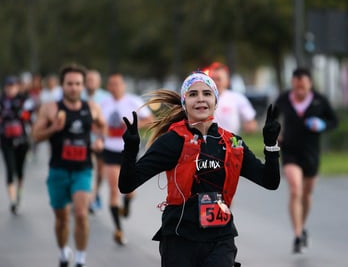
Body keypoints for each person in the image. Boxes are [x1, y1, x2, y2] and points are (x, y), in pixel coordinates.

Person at [119, 71, 281, 266]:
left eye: (207, 93)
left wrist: (271, 145)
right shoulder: (172, 141)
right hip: (180, 238)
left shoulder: (233, 142)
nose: (200, 99)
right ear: (184, 102)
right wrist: (130, 150)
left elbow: (270, 182)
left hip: (220, 238)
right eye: (193, 94)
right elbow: (127, 185)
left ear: (216, 101)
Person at [32, 63, 106, 267]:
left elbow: (102, 127)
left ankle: (80, 259)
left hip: (83, 169)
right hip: (58, 170)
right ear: (62, 85)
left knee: (81, 215)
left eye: (77, 84)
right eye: (69, 84)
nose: (73, 87)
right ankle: (64, 252)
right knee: (62, 218)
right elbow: (35, 135)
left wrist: (100, 140)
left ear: (83, 86)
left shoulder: (92, 107)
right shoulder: (50, 108)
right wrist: (53, 129)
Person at [274, 67, 338, 254]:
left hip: (311, 153)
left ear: (310, 84)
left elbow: (334, 121)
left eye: (303, 86)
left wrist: (323, 124)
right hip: (290, 152)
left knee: (307, 194)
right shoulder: (285, 98)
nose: (300, 90)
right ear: (293, 84)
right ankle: (297, 234)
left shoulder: (319, 100)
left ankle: (302, 226)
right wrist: (275, 132)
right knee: (295, 190)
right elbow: (272, 118)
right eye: (296, 86)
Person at [100, 73, 154, 245]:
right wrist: (99, 136)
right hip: (109, 149)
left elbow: (150, 119)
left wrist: (132, 126)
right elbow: (96, 124)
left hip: (128, 151)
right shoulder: (103, 104)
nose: (114, 87)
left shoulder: (133, 101)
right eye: (111, 84)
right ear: (108, 87)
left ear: (123, 86)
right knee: (113, 189)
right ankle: (118, 230)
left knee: (130, 190)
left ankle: (127, 204)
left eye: (117, 84)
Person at [0, 76, 33, 214]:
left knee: (19, 170)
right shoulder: (2, 101)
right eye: (8, 86)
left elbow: (29, 116)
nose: (10, 89)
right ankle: (13, 201)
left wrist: (21, 114)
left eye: (13, 86)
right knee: (9, 169)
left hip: (22, 140)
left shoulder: (25, 100)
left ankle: (18, 193)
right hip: (6, 139)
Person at [82, 69, 111, 213]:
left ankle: (95, 192)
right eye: (88, 80)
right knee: (88, 170)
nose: (90, 83)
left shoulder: (106, 98)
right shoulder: (79, 96)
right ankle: (89, 199)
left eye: (93, 80)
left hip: (102, 140)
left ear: (99, 82)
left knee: (100, 173)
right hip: (84, 141)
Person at [206, 62, 258, 134]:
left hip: (230, 142)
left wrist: (249, 125)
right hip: (207, 142)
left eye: (218, 79)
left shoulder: (237, 98)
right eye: (212, 79)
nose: (215, 82)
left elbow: (251, 122)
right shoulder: (202, 100)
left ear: (227, 81)